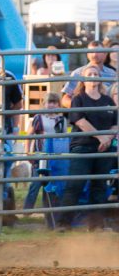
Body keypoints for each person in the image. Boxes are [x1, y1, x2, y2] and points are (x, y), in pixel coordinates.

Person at [57, 65, 117, 231]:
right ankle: (63, 223)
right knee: (75, 184)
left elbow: (115, 123)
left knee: (99, 186)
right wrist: (101, 137)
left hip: (104, 149)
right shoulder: (79, 99)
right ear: (83, 80)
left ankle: (96, 224)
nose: (93, 75)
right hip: (82, 147)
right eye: (90, 73)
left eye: (96, 73)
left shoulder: (108, 101)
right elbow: (80, 121)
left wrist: (107, 139)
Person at [23, 92, 65, 210]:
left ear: (58, 104)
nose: (51, 105)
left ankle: (50, 210)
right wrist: (28, 152)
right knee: (35, 184)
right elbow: (29, 135)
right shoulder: (38, 118)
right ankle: (27, 209)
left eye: (54, 102)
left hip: (55, 156)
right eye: (49, 102)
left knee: (52, 184)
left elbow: (64, 137)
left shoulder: (61, 119)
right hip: (39, 155)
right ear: (44, 104)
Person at [61, 41, 116, 108]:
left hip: (106, 110)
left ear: (105, 54)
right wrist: (79, 108)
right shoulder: (77, 73)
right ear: (87, 54)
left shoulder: (112, 73)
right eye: (91, 52)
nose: (95, 55)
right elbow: (65, 99)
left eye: (98, 51)